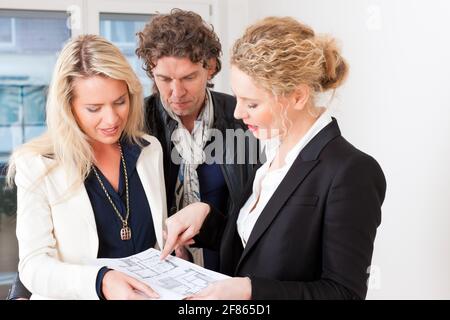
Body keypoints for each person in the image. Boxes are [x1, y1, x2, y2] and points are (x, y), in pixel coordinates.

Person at [160, 16, 387, 300]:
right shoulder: (269, 151)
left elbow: (343, 293)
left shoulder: (352, 172)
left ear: (297, 97)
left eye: (252, 103)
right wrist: (206, 218)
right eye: (237, 98)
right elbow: (257, 246)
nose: (237, 114)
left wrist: (251, 291)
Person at [6, 34, 166, 300]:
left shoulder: (150, 150)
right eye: (94, 108)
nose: (112, 119)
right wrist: (100, 281)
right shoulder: (37, 165)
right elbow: (33, 266)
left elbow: (155, 242)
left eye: (119, 102)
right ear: (68, 107)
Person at [135, 9, 259, 271]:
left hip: (229, 269)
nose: (176, 92)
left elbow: (257, 211)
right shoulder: (137, 124)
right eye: (164, 79)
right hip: (156, 270)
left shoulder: (245, 118)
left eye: (189, 77)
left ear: (210, 67)